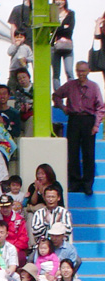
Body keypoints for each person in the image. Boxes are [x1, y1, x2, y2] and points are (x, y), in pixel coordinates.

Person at [53, 61, 105, 196]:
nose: (80, 73)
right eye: (78, 71)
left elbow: (100, 107)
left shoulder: (94, 87)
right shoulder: (70, 85)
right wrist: (63, 107)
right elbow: (56, 95)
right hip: (74, 119)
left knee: (88, 154)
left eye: (83, 71)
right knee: (73, 153)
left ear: (88, 71)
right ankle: (75, 183)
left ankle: (88, 184)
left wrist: (96, 125)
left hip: (88, 120)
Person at [0, 194, 28, 264]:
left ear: (12, 205)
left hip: (15, 247)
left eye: (7, 206)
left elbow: (23, 237)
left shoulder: (19, 219)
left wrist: (13, 249)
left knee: (21, 258)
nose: (4, 209)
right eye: (2, 207)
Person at [50, 0, 75, 91]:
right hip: (54, 46)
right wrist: (63, 27)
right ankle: (57, 96)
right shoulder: (52, 14)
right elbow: (51, 29)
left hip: (67, 45)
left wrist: (58, 28)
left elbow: (70, 30)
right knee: (56, 73)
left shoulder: (70, 13)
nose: (59, 2)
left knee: (69, 71)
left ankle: (72, 94)